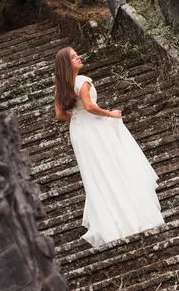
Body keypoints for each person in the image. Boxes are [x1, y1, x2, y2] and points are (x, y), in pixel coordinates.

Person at [53, 47, 164, 247]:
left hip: (79, 131)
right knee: (112, 164)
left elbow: (60, 115)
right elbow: (90, 107)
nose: (78, 56)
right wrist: (110, 113)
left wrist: (78, 119)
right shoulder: (83, 81)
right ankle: (130, 212)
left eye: (77, 53)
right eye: (72, 57)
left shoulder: (61, 87)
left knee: (96, 171)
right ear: (66, 64)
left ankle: (110, 217)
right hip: (95, 128)